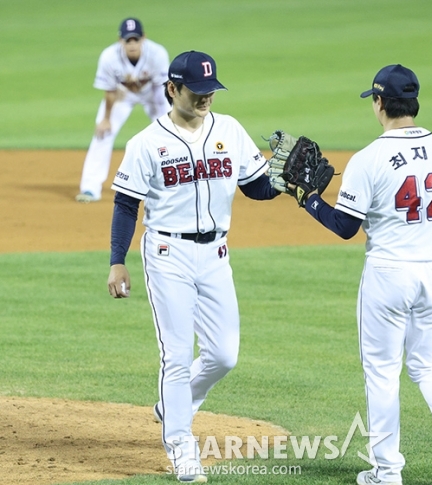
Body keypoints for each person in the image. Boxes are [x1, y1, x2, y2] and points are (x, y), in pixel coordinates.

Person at [297, 65, 432, 485]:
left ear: (379, 103)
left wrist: (309, 200)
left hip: (389, 276)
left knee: (382, 372)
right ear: (414, 104)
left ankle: (387, 471)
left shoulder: (369, 158)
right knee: (431, 365)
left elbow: (345, 226)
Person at [106, 50, 281, 483]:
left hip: (217, 254)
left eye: (211, 91)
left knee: (224, 354)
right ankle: (182, 448)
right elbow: (127, 204)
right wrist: (117, 262)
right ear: (172, 89)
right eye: (197, 92)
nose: (206, 98)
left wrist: (284, 181)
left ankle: (173, 404)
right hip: (168, 254)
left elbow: (256, 187)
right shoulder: (147, 142)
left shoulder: (230, 129)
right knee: (178, 356)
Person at [76, 17, 170, 203]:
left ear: (144, 38)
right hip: (121, 96)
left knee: (169, 133)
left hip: (154, 94)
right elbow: (110, 92)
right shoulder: (109, 57)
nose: (132, 44)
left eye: (136, 39)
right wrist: (106, 119)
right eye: (128, 40)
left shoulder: (157, 53)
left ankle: (172, 185)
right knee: (102, 133)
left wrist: (167, 118)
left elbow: (164, 89)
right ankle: (90, 188)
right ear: (121, 41)